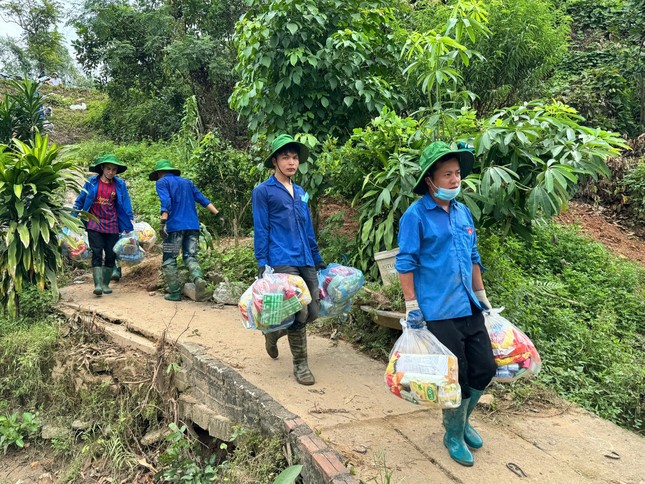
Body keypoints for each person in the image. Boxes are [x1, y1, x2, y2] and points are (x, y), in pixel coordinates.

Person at [394, 141, 497, 467]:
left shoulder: (463, 212)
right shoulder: (416, 216)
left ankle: (464, 422)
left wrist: (482, 297)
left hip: (468, 305)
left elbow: (473, 257)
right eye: (447, 175)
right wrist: (412, 305)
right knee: (457, 375)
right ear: (430, 180)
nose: (455, 180)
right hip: (436, 311)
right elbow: (405, 262)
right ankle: (452, 433)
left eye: (457, 174)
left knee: (484, 368)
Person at [252, 134, 326, 386]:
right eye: (286, 157)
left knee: (313, 311)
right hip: (281, 258)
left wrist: (317, 257)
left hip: (305, 257)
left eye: (294, 157)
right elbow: (261, 228)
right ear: (275, 161)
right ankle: (301, 365)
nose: (291, 162)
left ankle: (273, 334)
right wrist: (262, 262)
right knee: (299, 309)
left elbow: (307, 228)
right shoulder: (263, 191)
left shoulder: (302, 192)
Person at [149, 159, 222, 301]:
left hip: (175, 228)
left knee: (169, 259)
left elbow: (166, 202)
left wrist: (162, 223)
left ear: (159, 173)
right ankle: (198, 278)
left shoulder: (162, 182)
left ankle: (175, 293)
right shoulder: (187, 182)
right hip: (193, 226)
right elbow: (202, 199)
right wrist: (218, 214)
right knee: (190, 256)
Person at [73, 154, 134, 296]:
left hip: (113, 224)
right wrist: (73, 217)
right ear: (102, 168)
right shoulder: (91, 182)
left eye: (114, 170)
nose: (111, 172)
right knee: (97, 252)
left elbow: (126, 204)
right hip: (94, 223)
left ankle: (106, 284)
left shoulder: (119, 185)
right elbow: (80, 200)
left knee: (111, 254)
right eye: (108, 169)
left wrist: (130, 222)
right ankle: (98, 285)